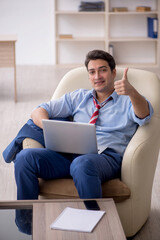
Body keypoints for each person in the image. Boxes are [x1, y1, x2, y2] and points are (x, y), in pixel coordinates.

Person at [14, 50, 153, 200]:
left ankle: (95, 219)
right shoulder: (78, 97)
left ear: (113, 73)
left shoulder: (128, 99)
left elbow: (144, 115)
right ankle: (27, 221)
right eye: (92, 72)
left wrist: (132, 92)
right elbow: (39, 110)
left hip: (105, 158)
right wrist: (47, 127)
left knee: (82, 164)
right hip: (69, 156)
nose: (97, 76)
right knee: (24, 157)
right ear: (88, 76)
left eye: (103, 70)